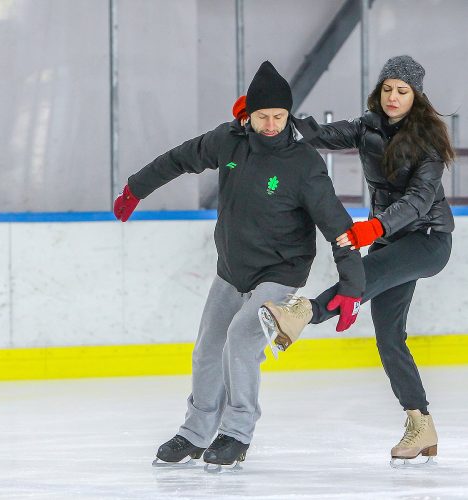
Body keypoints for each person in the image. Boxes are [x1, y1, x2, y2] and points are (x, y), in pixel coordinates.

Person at [114, 61, 365, 469]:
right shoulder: (228, 141)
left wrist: (352, 284)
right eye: (263, 116)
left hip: (280, 271)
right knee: (208, 349)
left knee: (242, 342)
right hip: (232, 268)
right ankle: (195, 433)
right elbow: (180, 158)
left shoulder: (303, 163)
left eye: (279, 117)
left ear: (288, 116)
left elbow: (337, 225)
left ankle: (236, 433)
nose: (270, 125)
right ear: (247, 114)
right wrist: (135, 187)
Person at [233, 55, 455, 466]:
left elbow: (420, 199)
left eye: (402, 91)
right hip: (389, 240)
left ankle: (303, 313)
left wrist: (375, 228)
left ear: (416, 97)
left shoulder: (429, 140)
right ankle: (420, 423)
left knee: (365, 277)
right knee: (389, 336)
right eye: (387, 88)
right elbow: (323, 134)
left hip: (427, 238)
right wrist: (277, 118)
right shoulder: (368, 125)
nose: (392, 97)